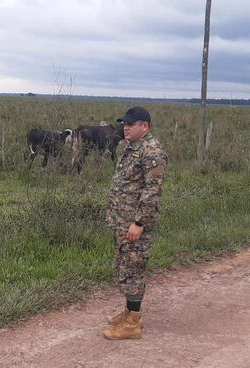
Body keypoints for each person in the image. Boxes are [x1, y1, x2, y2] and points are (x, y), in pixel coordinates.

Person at [104, 106, 167, 340]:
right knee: (125, 266)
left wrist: (139, 223)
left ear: (145, 126)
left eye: (131, 124)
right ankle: (129, 311)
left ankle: (133, 323)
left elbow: (152, 191)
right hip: (123, 221)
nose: (125, 128)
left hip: (135, 224)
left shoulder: (152, 151)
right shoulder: (132, 148)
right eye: (124, 124)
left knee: (134, 270)